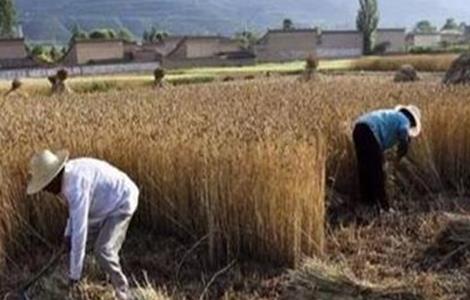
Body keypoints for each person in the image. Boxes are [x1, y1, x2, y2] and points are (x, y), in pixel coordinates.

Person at [26, 149, 139, 300]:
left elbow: (80, 233)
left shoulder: (76, 186)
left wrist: (74, 276)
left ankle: (123, 290)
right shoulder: (66, 178)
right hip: (103, 205)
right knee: (81, 244)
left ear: (54, 177)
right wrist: (67, 234)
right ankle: (99, 276)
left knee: (103, 250)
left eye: (46, 185)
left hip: (122, 201)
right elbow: (74, 213)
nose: (46, 190)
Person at [353, 105, 422, 212]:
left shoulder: (391, 115)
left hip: (358, 128)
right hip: (370, 131)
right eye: (412, 125)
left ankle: (368, 202)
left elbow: (380, 144)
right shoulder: (404, 119)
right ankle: (384, 207)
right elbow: (403, 134)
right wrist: (401, 154)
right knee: (378, 172)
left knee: (365, 168)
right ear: (412, 120)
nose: (411, 127)